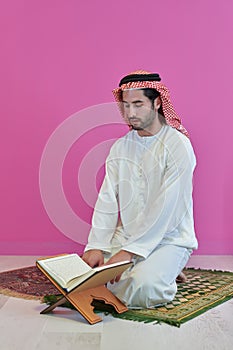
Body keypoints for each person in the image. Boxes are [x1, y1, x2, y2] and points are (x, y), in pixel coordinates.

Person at [82, 70, 198, 308]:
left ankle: (164, 268)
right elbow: (107, 199)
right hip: (128, 235)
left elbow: (169, 208)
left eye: (138, 104)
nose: (130, 113)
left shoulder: (178, 146)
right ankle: (162, 269)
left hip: (170, 238)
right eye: (126, 105)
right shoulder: (121, 147)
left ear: (157, 102)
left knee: (144, 289)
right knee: (85, 276)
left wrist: (130, 253)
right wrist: (97, 245)